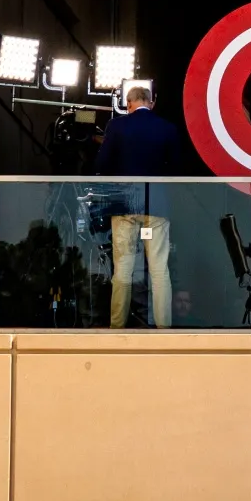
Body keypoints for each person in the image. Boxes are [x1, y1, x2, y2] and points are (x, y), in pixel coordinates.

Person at [94, 83, 182, 328]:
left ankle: (117, 326)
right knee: (159, 269)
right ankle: (164, 327)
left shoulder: (116, 126)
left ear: (128, 104)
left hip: (124, 204)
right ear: (151, 103)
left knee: (123, 269)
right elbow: (176, 168)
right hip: (156, 204)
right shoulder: (167, 128)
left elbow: (101, 165)